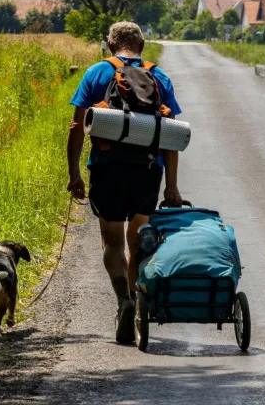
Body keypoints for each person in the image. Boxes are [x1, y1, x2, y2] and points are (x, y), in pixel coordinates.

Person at [66, 21, 183, 344]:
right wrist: (171, 185)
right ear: (141, 45)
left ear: (110, 44)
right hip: (147, 171)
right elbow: (171, 134)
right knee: (137, 239)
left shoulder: (96, 73)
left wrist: (74, 172)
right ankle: (137, 293)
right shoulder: (158, 76)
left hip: (108, 168)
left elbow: (77, 126)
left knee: (113, 242)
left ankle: (124, 301)